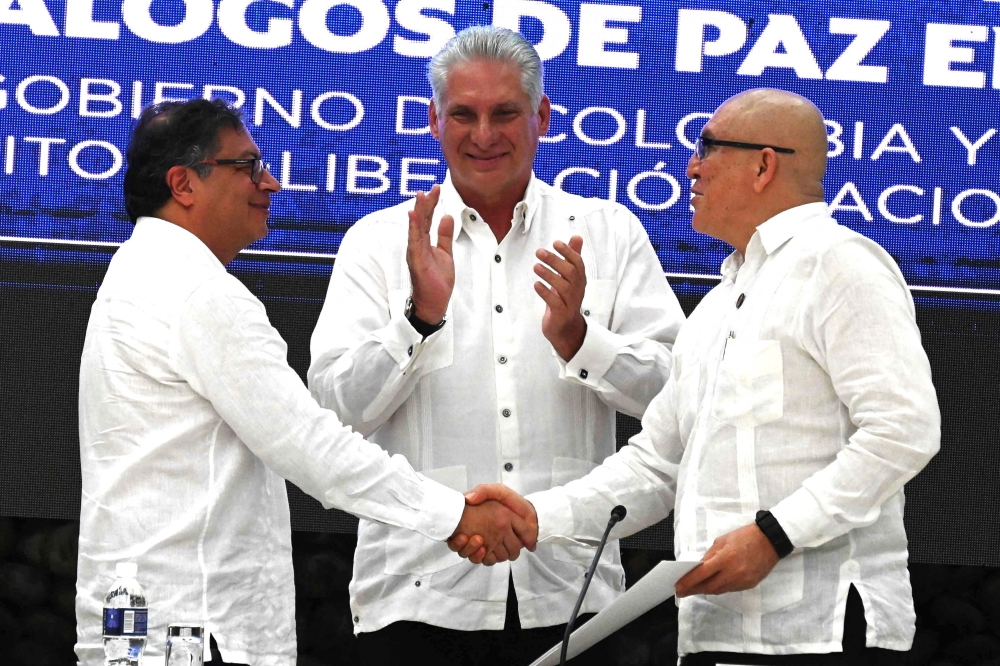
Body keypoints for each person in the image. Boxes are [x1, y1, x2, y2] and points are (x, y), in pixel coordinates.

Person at [461, 89, 941, 665]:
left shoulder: (838, 264)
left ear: (764, 164)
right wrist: (538, 517)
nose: (690, 165)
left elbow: (903, 429)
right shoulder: (715, 308)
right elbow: (656, 464)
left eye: (706, 148)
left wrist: (773, 534)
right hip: (715, 635)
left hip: (824, 630)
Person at [74, 98, 530, 666]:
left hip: (141, 627)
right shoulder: (197, 292)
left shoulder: (135, 271)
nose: (271, 182)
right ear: (183, 184)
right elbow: (309, 445)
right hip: (192, 631)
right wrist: (455, 515)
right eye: (247, 166)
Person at [307, 26, 684, 665]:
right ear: (433, 120)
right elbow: (333, 414)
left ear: (541, 116)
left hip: (573, 594)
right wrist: (417, 321)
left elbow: (680, 396)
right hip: (416, 593)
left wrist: (580, 340)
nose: (484, 135)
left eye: (505, 112)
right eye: (464, 114)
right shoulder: (377, 242)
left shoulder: (609, 232)